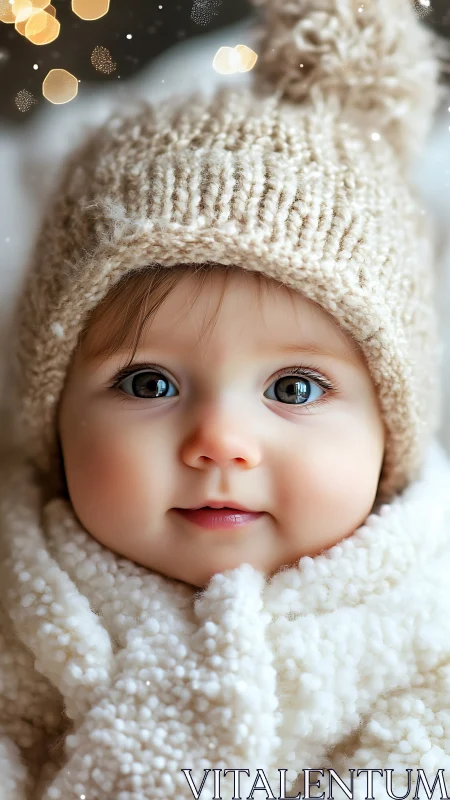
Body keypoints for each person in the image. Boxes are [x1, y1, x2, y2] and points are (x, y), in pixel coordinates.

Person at [1, 0, 450, 798]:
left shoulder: (426, 625)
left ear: (389, 433)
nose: (219, 441)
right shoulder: (20, 599)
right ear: (54, 417)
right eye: (149, 383)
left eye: (295, 387)